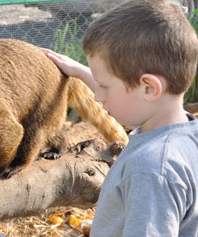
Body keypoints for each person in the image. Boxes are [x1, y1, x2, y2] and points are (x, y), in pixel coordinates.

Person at [43, 0, 198, 236]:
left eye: (104, 86)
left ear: (148, 88)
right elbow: (129, 94)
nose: (97, 97)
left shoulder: (152, 169)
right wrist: (80, 71)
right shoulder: (182, 132)